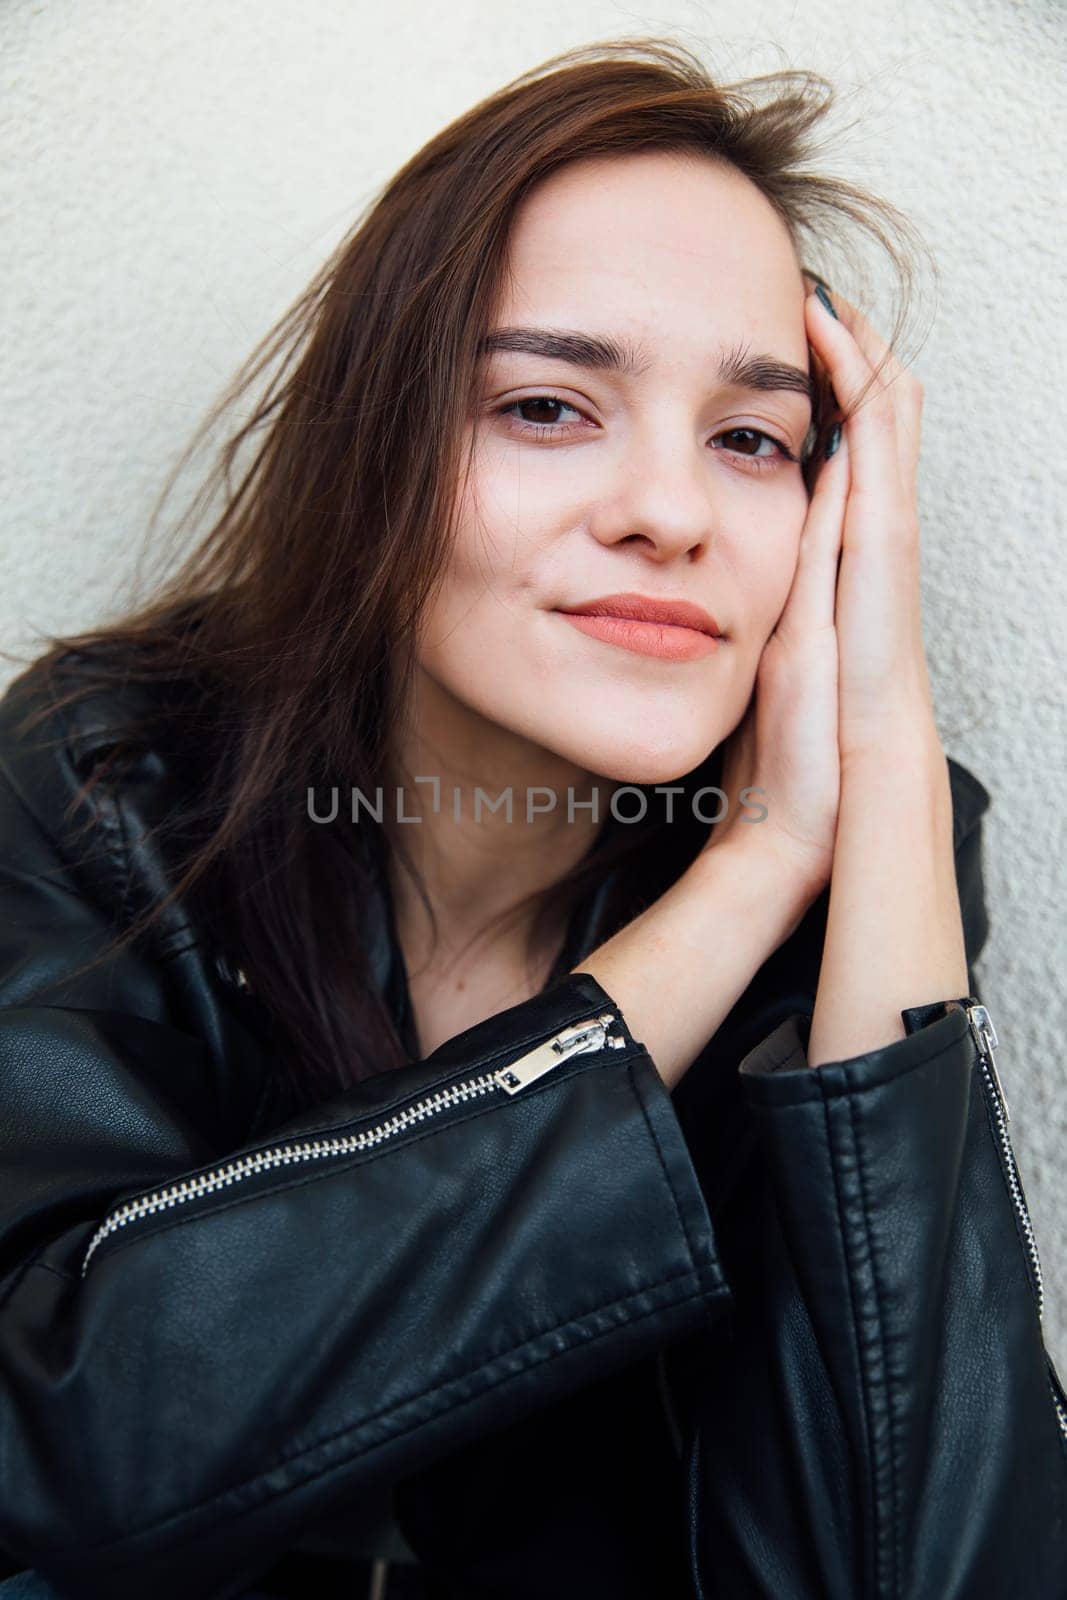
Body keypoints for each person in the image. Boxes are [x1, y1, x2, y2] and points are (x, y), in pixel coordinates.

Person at [0, 36, 1064, 1600]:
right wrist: (747, 873)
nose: (672, 510)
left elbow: (939, 1565)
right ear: (376, 442)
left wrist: (884, 755)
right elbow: (54, 1442)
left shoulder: (881, 857)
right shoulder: (114, 780)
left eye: (754, 439)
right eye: (552, 406)